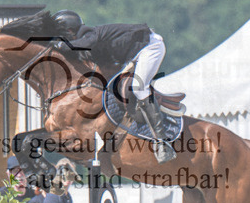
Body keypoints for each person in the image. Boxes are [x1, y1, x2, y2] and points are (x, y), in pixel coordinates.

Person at [53, 10, 176, 163]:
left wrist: (60, 46)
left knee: (139, 88)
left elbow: (84, 44)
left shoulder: (93, 35)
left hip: (150, 47)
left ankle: (162, 141)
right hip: (135, 55)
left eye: (62, 36)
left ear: (70, 31)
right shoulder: (91, 44)